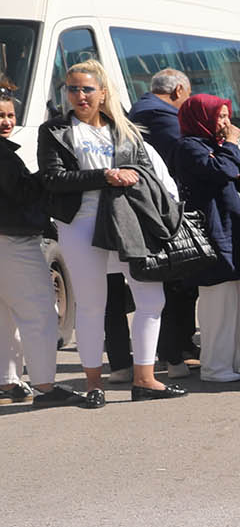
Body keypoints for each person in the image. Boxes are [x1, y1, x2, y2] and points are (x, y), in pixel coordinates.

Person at [38, 61, 184, 401]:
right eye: (73, 89)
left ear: (103, 93)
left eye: (87, 89)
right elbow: (52, 179)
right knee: (92, 305)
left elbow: (146, 174)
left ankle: (145, 380)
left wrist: (127, 174)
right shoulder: (55, 130)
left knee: (151, 299)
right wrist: (105, 175)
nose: (79, 96)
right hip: (80, 222)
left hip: (127, 220)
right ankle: (93, 385)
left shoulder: (125, 130)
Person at [169, 92, 240, 383]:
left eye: (228, 115)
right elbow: (220, 170)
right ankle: (216, 367)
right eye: (221, 116)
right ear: (201, 118)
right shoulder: (189, 147)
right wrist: (231, 152)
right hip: (217, 234)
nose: (227, 122)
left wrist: (233, 160)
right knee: (219, 307)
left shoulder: (224, 147)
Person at [0, 93, 95, 407]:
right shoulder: (3, 155)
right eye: (0, 115)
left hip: (8, 240)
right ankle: (44, 387)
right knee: (39, 313)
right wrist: (50, 176)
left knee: (5, 315)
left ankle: (8, 381)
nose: (6, 122)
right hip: (14, 240)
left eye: (10, 115)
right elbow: (21, 194)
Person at [125, 68, 199, 378]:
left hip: (146, 208)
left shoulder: (138, 111)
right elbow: (184, 159)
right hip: (165, 211)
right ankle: (175, 351)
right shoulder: (165, 118)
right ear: (179, 90)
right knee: (177, 283)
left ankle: (171, 349)